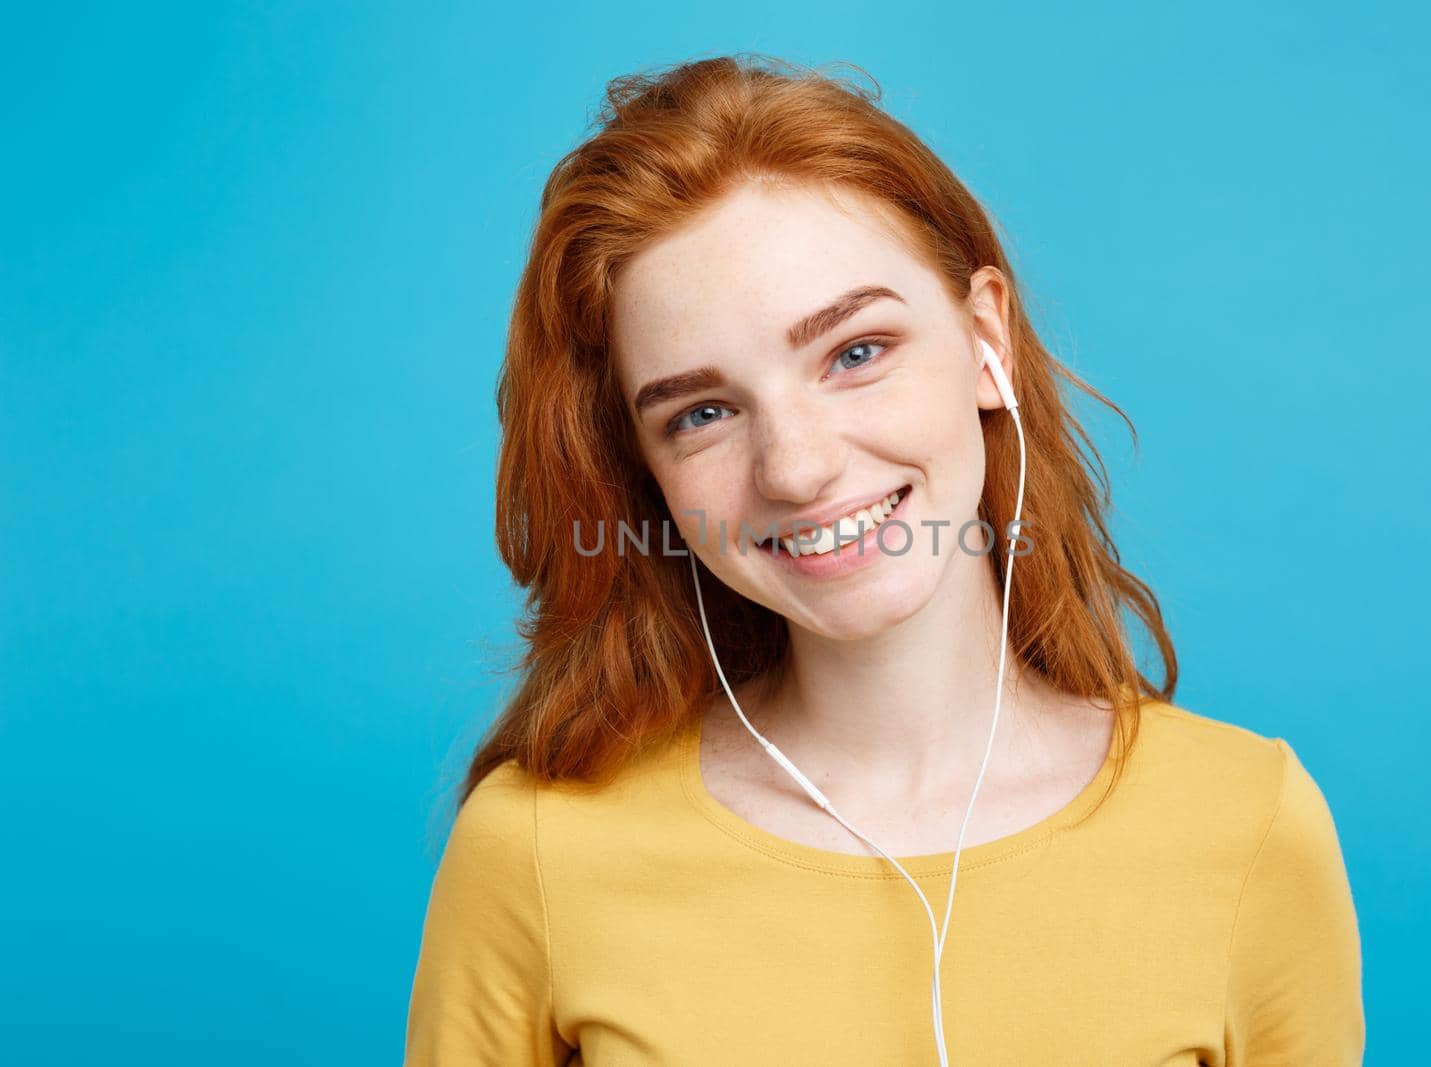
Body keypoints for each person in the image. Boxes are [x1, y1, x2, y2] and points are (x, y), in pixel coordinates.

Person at [403, 54, 1364, 1066]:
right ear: (646, 474)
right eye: (702, 412)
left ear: (985, 333)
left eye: (854, 352)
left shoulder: (1247, 822)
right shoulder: (540, 850)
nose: (799, 467)